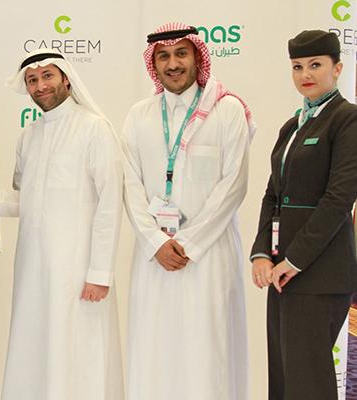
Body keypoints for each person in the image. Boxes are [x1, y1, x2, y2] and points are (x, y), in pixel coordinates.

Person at [0, 48, 124, 399]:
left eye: (47, 76)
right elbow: (27, 199)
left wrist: (100, 273)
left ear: (66, 79)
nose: (40, 86)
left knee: (80, 352)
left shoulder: (94, 128)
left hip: (78, 270)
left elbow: (110, 204)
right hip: (34, 268)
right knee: (35, 349)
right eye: (32, 80)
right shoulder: (29, 135)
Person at [120, 22, 255, 399]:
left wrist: (189, 244)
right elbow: (129, 185)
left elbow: (234, 185)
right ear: (153, 64)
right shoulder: (139, 115)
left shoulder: (227, 110)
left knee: (208, 350)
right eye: (163, 56)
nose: (173, 64)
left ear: (198, 57)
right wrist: (154, 241)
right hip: (154, 258)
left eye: (181, 53)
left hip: (209, 257)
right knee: (154, 350)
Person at [250, 30, 357, 400]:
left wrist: (294, 260)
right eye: (297, 67)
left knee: (308, 381)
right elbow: (272, 195)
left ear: (337, 68)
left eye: (315, 65)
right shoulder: (293, 126)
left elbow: (339, 199)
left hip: (319, 272)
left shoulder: (347, 120)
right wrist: (262, 253)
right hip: (283, 272)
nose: (305, 74)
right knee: (284, 377)